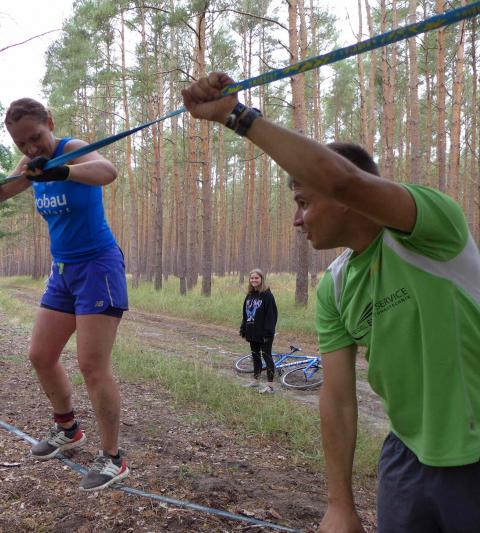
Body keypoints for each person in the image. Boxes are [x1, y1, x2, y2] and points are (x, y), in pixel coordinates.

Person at [183, 72, 480, 532]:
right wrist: (339, 504)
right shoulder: (336, 287)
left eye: (303, 202)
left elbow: (342, 181)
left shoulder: (431, 233)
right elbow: (338, 398)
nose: (296, 220)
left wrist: (235, 116)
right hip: (406, 456)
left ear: (347, 199)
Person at [0, 97, 130, 492]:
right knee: (40, 355)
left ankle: (113, 458)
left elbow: (107, 171)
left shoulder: (71, 149)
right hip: (62, 271)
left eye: (35, 137)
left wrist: (62, 170)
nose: (30, 148)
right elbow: (3, 190)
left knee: (92, 366)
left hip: (98, 267)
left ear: (50, 122)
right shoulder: (30, 164)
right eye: (21, 143)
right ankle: (68, 429)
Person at [239, 268, 278, 394]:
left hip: (265, 333)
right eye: (252, 278)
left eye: (256, 278)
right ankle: (256, 380)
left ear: (261, 279)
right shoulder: (249, 295)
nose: (254, 280)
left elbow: (271, 315)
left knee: (267, 356)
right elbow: (245, 313)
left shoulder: (267, 295)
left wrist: (268, 332)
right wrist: (243, 329)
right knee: (255, 356)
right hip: (252, 331)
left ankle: (270, 386)